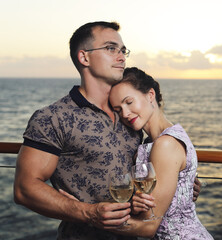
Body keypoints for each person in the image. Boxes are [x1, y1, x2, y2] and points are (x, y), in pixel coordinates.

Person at [13, 21, 201, 240]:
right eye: (111, 48)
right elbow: (24, 188)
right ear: (84, 57)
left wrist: (180, 186)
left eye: (123, 51)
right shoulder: (53, 118)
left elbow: (149, 173)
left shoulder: (130, 119)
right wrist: (87, 213)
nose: (121, 56)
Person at [109, 67, 213, 239]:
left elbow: (149, 227)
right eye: (118, 110)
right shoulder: (152, 141)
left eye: (129, 102)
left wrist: (90, 216)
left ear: (150, 95)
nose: (125, 114)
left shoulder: (165, 144)